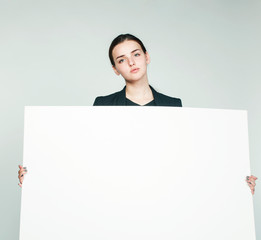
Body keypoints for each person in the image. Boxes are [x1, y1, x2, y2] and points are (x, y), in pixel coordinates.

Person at [18, 33, 257, 194]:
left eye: (136, 54)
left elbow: (189, 163)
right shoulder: (103, 105)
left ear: (147, 56)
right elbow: (82, 159)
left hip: (162, 197)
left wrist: (235, 182)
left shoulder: (174, 106)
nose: (131, 62)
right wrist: (38, 174)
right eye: (122, 59)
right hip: (115, 196)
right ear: (115, 69)